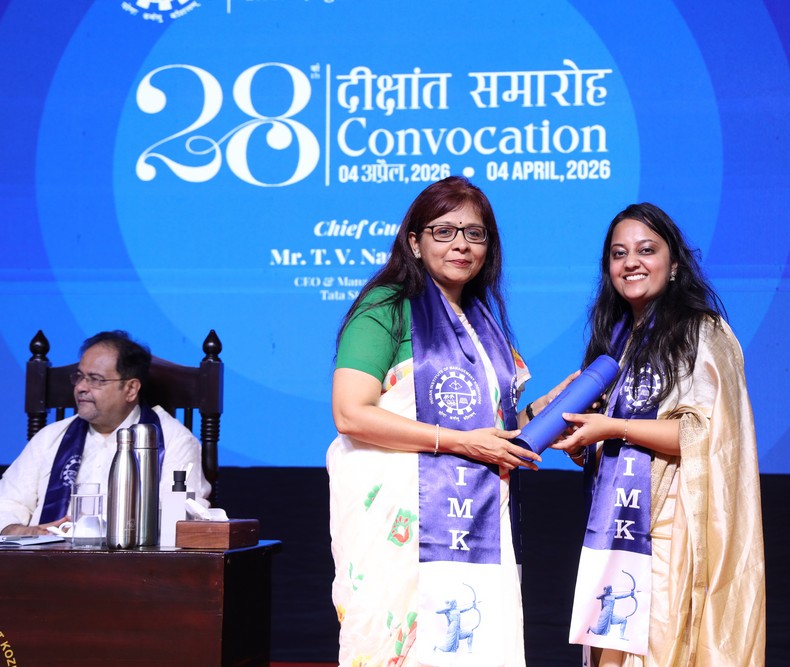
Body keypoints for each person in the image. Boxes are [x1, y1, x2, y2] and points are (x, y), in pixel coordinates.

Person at [328, 176, 573, 666]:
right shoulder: (385, 308)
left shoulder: (483, 324)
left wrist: (543, 410)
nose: (461, 244)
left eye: (474, 233)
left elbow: (490, 433)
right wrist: (459, 443)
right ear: (414, 242)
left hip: (475, 515)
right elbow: (350, 413)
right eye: (444, 231)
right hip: (401, 520)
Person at [552, 203, 766, 666]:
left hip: (671, 532)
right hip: (618, 528)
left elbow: (706, 434)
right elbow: (621, 439)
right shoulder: (616, 342)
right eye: (619, 254)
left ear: (673, 265)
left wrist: (614, 427)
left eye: (646, 250)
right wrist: (589, 444)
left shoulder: (702, 333)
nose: (631, 262)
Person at [0, 330, 211, 536]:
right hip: (43, 561)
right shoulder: (50, 438)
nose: (81, 387)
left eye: (95, 380)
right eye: (79, 377)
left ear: (131, 389)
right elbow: (1, 504)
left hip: (131, 562)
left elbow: (182, 518)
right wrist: (21, 531)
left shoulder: (173, 441)